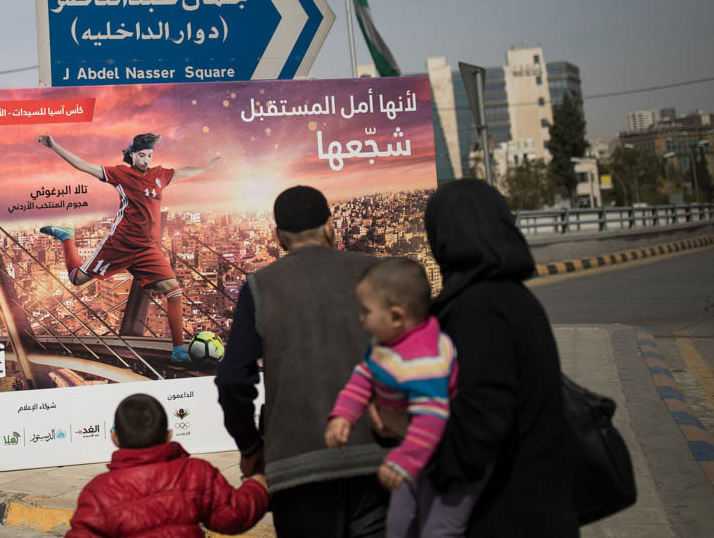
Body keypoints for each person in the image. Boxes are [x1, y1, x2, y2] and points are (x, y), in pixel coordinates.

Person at [215, 185, 389, 538]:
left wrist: (250, 447)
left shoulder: (259, 287)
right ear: (330, 226)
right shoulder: (377, 273)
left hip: (297, 468)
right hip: (376, 459)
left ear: (278, 237)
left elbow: (233, 379)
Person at [423, 178, 578, 536]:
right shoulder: (512, 297)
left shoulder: (479, 309)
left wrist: (413, 446)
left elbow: (480, 428)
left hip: (505, 516)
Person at [38, 132, 220, 363]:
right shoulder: (121, 173)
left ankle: (178, 351)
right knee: (77, 279)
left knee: (174, 290)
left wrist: (207, 168)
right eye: (141, 155)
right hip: (120, 244)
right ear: (132, 155)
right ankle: (67, 237)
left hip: (147, 249)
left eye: (149, 155)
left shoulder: (160, 175)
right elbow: (83, 166)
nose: (146, 160)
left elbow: (184, 171)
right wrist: (55, 146)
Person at [326, 258, 476, 537]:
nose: (362, 319)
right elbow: (364, 376)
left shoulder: (422, 360)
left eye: (367, 312)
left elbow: (431, 419)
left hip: (448, 459)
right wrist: (344, 413)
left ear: (396, 317)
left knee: (438, 530)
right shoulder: (388, 344)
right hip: (413, 452)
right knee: (398, 524)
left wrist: (404, 461)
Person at [66, 393, 268, 537]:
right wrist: (258, 482)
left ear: (115, 438)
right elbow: (234, 516)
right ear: (168, 435)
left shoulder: (98, 492)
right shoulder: (196, 473)